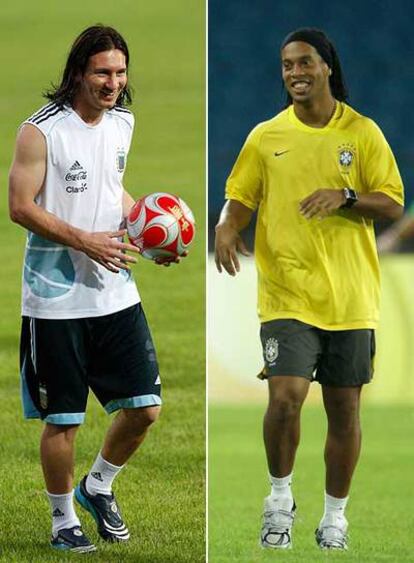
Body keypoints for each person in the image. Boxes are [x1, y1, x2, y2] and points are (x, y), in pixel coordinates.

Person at [214, 28, 404, 551]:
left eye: (303, 63)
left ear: (327, 68)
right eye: (286, 66)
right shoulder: (265, 137)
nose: (294, 73)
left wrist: (344, 195)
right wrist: (227, 226)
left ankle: (335, 518)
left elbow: (392, 203)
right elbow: (238, 198)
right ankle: (279, 500)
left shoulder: (362, 134)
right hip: (286, 293)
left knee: (345, 412)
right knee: (286, 398)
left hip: (349, 298)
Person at [8, 25, 175, 553]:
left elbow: (110, 187)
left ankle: (96, 486)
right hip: (55, 299)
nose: (114, 83)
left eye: (121, 73)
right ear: (79, 71)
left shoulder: (123, 120)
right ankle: (62, 519)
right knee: (63, 419)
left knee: (145, 408)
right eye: (103, 72)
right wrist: (85, 240)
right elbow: (20, 206)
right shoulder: (40, 132)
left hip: (115, 291)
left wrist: (150, 229)